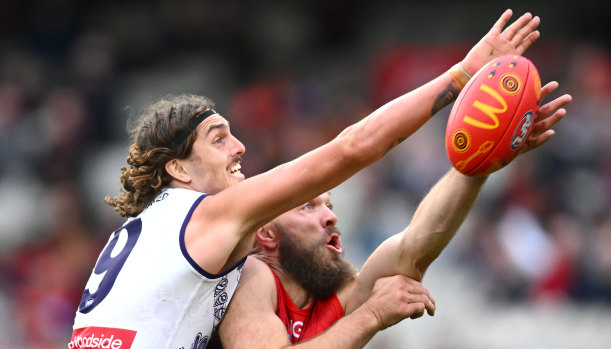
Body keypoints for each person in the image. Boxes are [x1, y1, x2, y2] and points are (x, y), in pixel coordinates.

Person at [70, 8, 546, 349]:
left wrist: (483, 160)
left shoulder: (157, 232)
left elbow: (413, 250)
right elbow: (354, 146)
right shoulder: (208, 221)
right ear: (177, 169)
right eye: (219, 140)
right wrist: (463, 74)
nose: (239, 149)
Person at [217, 73, 572, 347]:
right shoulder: (247, 275)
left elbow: (413, 249)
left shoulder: (332, 297)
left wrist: (480, 161)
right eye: (308, 207)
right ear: (264, 233)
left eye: (329, 205)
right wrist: (371, 314)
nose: (331, 217)